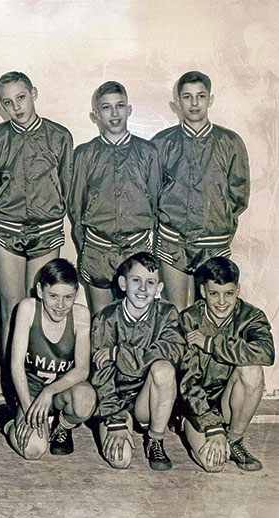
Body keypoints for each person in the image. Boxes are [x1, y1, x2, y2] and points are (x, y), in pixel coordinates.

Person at [0, 72, 73, 417]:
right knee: (12, 310)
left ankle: (39, 391)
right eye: (7, 102)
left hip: (46, 232)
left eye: (21, 98)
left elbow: (68, 186)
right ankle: (13, 394)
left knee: (40, 311)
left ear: (33, 93)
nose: (15, 107)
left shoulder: (59, 136)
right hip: (6, 230)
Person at [151, 71, 249, 311]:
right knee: (172, 312)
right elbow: (151, 193)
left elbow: (239, 194)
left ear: (210, 99)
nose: (194, 103)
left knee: (211, 312)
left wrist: (217, 219)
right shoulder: (162, 143)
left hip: (213, 242)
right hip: (172, 242)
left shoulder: (230, 142)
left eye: (200, 96)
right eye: (187, 97)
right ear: (177, 103)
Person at [69, 81, 159, 315]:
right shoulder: (85, 153)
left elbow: (155, 202)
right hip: (98, 251)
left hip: (136, 247)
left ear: (129, 109)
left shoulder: (148, 152)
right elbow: (76, 208)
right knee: (102, 320)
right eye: (107, 108)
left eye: (120, 106)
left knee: (137, 319)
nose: (115, 113)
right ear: (96, 114)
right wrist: (88, 246)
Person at [179, 257, 274, 472]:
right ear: (203, 292)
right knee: (212, 465)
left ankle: (234, 439)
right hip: (196, 408)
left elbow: (266, 353)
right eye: (214, 294)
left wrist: (211, 343)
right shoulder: (189, 319)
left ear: (237, 290)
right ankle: (211, 434)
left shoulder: (251, 316)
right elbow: (187, 382)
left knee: (251, 369)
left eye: (229, 293)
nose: (222, 301)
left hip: (229, 401)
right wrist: (212, 427)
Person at [91, 252, 184, 470]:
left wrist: (118, 354)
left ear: (159, 288)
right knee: (120, 461)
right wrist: (114, 419)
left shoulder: (167, 313)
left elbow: (171, 353)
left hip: (147, 399)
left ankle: (156, 439)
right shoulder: (106, 317)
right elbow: (101, 375)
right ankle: (121, 423)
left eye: (150, 282)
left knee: (163, 369)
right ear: (123, 283)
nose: (143, 288)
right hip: (117, 400)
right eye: (136, 280)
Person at [5, 258, 95, 459]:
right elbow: (16, 365)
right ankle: (9, 422)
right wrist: (29, 411)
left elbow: (82, 370)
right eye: (53, 296)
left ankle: (62, 426)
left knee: (85, 401)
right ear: (40, 291)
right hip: (31, 390)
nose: (60, 305)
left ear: (76, 294)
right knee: (33, 450)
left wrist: (50, 391)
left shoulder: (80, 314)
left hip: (60, 389)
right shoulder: (28, 308)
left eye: (68, 297)